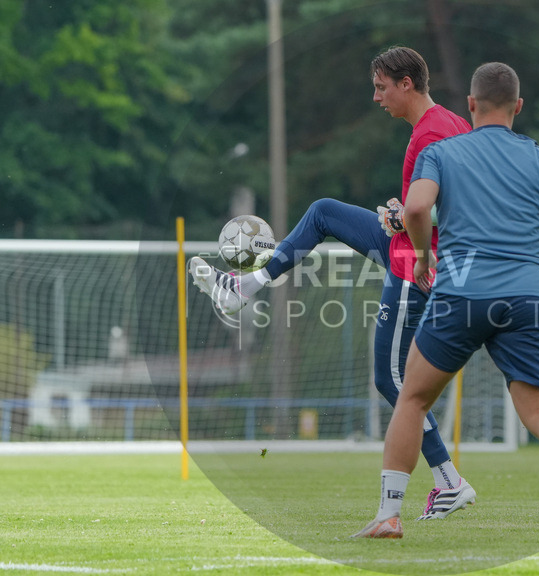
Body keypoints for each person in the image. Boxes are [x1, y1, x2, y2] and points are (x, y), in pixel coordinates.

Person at [189, 46, 476, 520]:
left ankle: (448, 482)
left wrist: (408, 221)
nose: (376, 97)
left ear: (407, 83)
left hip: (419, 267)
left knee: (391, 380)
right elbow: (445, 202)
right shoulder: (444, 124)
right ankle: (243, 288)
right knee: (323, 212)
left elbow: (450, 206)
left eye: (381, 87)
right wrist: (399, 216)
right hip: (410, 248)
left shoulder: (431, 134)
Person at [353, 62, 539, 540]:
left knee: (411, 397)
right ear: (519, 106)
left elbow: (413, 208)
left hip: (461, 292)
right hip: (527, 298)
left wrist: (425, 257)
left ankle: (389, 515)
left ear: (470, 105)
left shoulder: (444, 152)